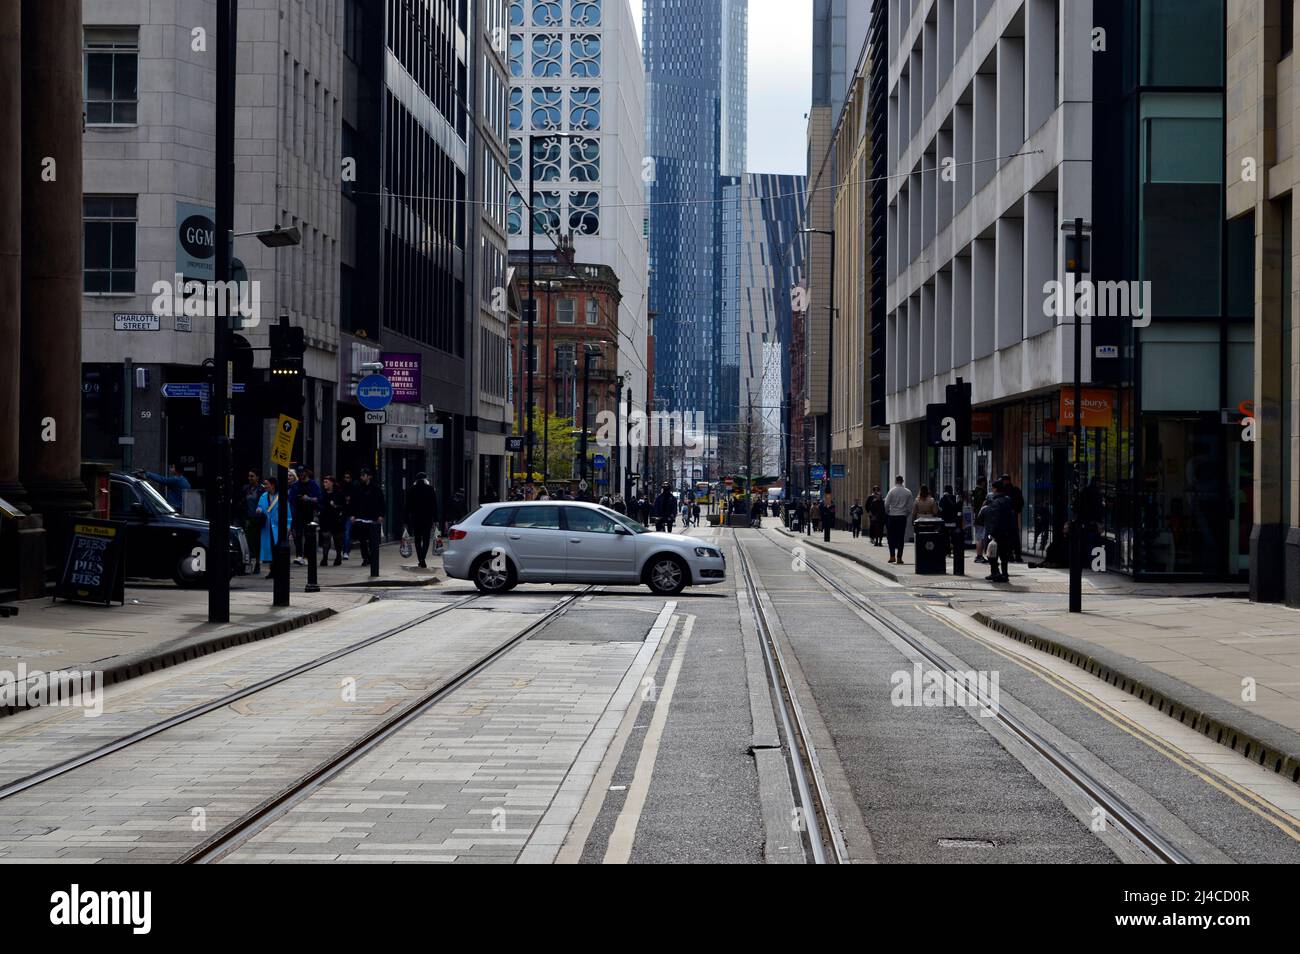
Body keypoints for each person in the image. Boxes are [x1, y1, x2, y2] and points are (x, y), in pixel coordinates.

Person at [980, 480, 1016, 583]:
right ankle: (1004, 574)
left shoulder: (995, 502)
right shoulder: (1008, 500)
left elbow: (995, 519)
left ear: (995, 489)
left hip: (997, 532)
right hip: (1007, 531)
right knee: (1004, 555)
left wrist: (992, 533)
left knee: (991, 553)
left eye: (992, 488)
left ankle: (995, 572)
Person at [350, 468, 387, 566]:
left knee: (372, 540)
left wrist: (381, 515)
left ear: (369, 476)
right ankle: (365, 558)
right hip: (361, 518)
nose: (361, 477)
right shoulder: (358, 488)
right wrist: (353, 515)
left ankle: (371, 557)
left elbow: (381, 503)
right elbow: (353, 503)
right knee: (362, 540)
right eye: (361, 475)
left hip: (372, 518)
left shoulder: (376, 489)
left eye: (363, 475)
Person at [256, 476, 289, 579]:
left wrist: (288, 527)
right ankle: (272, 570)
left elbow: (288, 514)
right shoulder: (263, 496)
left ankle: (278, 570)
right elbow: (259, 507)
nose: (265, 486)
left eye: (267, 484)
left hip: (277, 527)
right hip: (266, 526)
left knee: (277, 549)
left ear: (273, 485)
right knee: (270, 549)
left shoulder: (281, 497)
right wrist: (258, 510)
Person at [405, 472, 439, 569]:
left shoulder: (412, 489)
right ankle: (422, 558)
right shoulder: (430, 489)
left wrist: (405, 520)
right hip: (427, 519)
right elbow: (434, 505)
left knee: (417, 539)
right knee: (426, 539)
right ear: (425, 480)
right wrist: (436, 519)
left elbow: (407, 506)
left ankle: (421, 559)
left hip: (415, 519)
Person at [291, 467, 321, 565]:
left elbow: (318, 498)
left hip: (309, 513)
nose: (300, 474)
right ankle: (299, 556)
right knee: (297, 535)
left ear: (307, 473)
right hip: (297, 513)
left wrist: (308, 498)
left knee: (308, 536)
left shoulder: (313, 484)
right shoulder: (296, 485)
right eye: (299, 472)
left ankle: (307, 556)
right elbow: (291, 498)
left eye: (302, 472)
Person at [883, 475, 913, 565]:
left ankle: (892, 556)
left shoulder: (891, 491)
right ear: (902, 481)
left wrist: (888, 512)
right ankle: (899, 557)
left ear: (896, 481)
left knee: (891, 537)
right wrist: (906, 514)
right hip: (902, 517)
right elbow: (910, 506)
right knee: (900, 537)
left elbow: (886, 504)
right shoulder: (908, 492)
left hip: (892, 516)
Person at [317, 475, 345, 567]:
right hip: (325, 519)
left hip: (336, 519)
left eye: (326, 482)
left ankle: (338, 557)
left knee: (337, 540)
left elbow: (344, 506)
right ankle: (325, 558)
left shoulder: (339, 494)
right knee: (326, 538)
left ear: (332, 483)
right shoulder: (322, 494)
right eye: (324, 482)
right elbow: (319, 504)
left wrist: (336, 506)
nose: (324, 484)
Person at [1000, 473, 1025, 562]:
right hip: (1013, 515)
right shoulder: (1016, 490)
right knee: (1015, 536)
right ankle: (1017, 555)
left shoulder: (1002, 491)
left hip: (1005, 516)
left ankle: (1009, 554)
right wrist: (1016, 510)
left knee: (1007, 536)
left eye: (1003, 480)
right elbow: (1021, 502)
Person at [243, 469, 263, 573]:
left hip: (257, 519)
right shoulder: (246, 488)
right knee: (248, 541)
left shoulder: (261, 489)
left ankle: (258, 563)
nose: (250, 478)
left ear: (257, 477)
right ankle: (249, 563)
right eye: (249, 476)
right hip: (248, 518)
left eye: (252, 476)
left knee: (257, 542)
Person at [337, 471, 355, 560]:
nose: (346, 479)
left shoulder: (353, 489)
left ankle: (346, 551)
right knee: (341, 533)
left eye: (348, 477)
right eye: (345, 477)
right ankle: (342, 550)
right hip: (342, 514)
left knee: (347, 532)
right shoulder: (341, 489)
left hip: (349, 514)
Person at [971, 476, 989, 564]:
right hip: (981, 517)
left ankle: (979, 555)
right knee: (980, 537)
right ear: (983, 483)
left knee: (979, 536)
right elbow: (983, 504)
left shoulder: (974, 492)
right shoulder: (982, 492)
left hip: (976, 516)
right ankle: (979, 555)